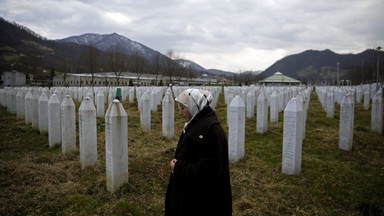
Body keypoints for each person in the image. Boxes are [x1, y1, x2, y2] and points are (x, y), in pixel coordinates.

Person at [165, 88, 232, 216]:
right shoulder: (195, 123)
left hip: (202, 203)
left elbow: (208, 170)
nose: (180, 112)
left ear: (193, 106)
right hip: (191, 197)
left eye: (183, 108)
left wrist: (178, 167)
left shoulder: (212, 131)